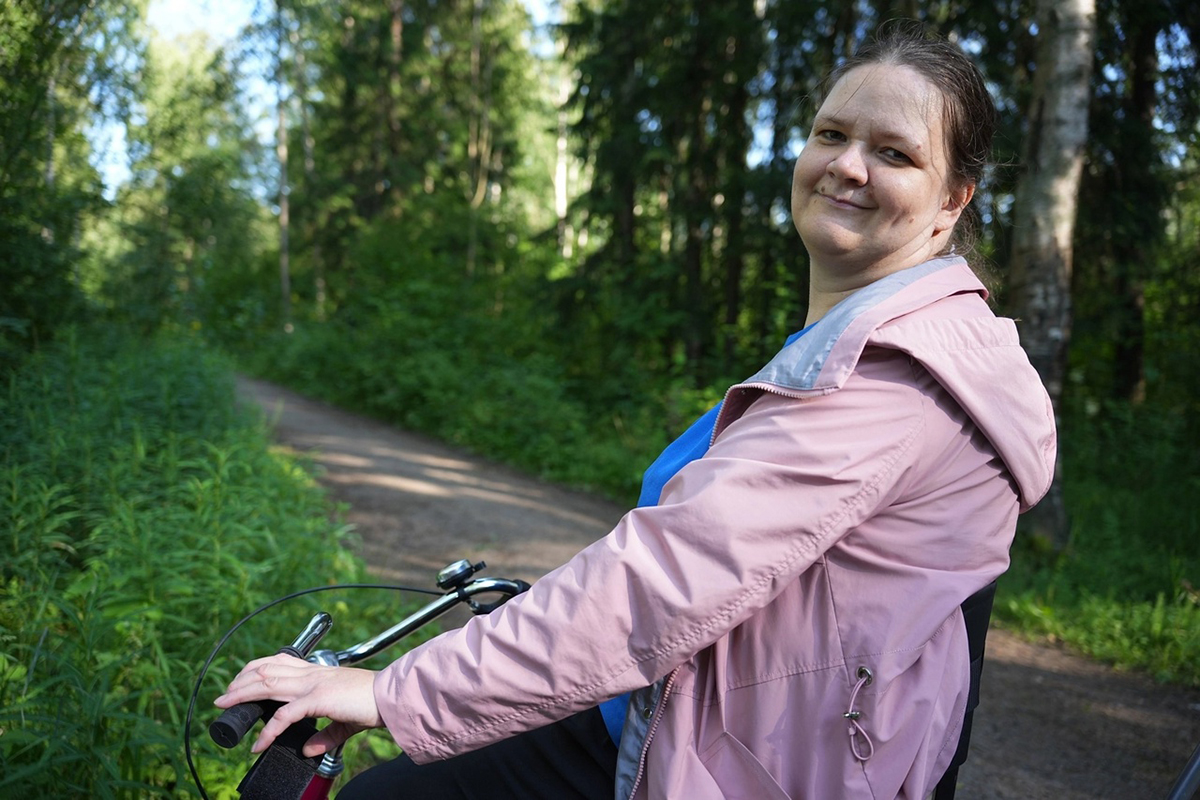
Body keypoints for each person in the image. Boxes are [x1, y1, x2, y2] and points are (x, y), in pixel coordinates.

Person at [216, 21, 1057, 799]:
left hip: (731, 764)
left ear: (954, 201)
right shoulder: (867, 342)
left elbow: (666, 576)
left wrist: (393, 691)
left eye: (894, 153)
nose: (846, 164)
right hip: (672, 710)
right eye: (831, 134)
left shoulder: (895, 380)